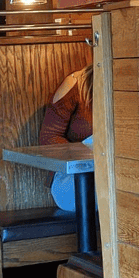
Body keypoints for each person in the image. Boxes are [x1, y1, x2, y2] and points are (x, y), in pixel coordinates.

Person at [39, 65, 93, 210]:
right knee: (98, 140)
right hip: (72, 180)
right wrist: (90, 154)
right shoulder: (76, 84)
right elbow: (49, 137)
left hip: (115, 180)